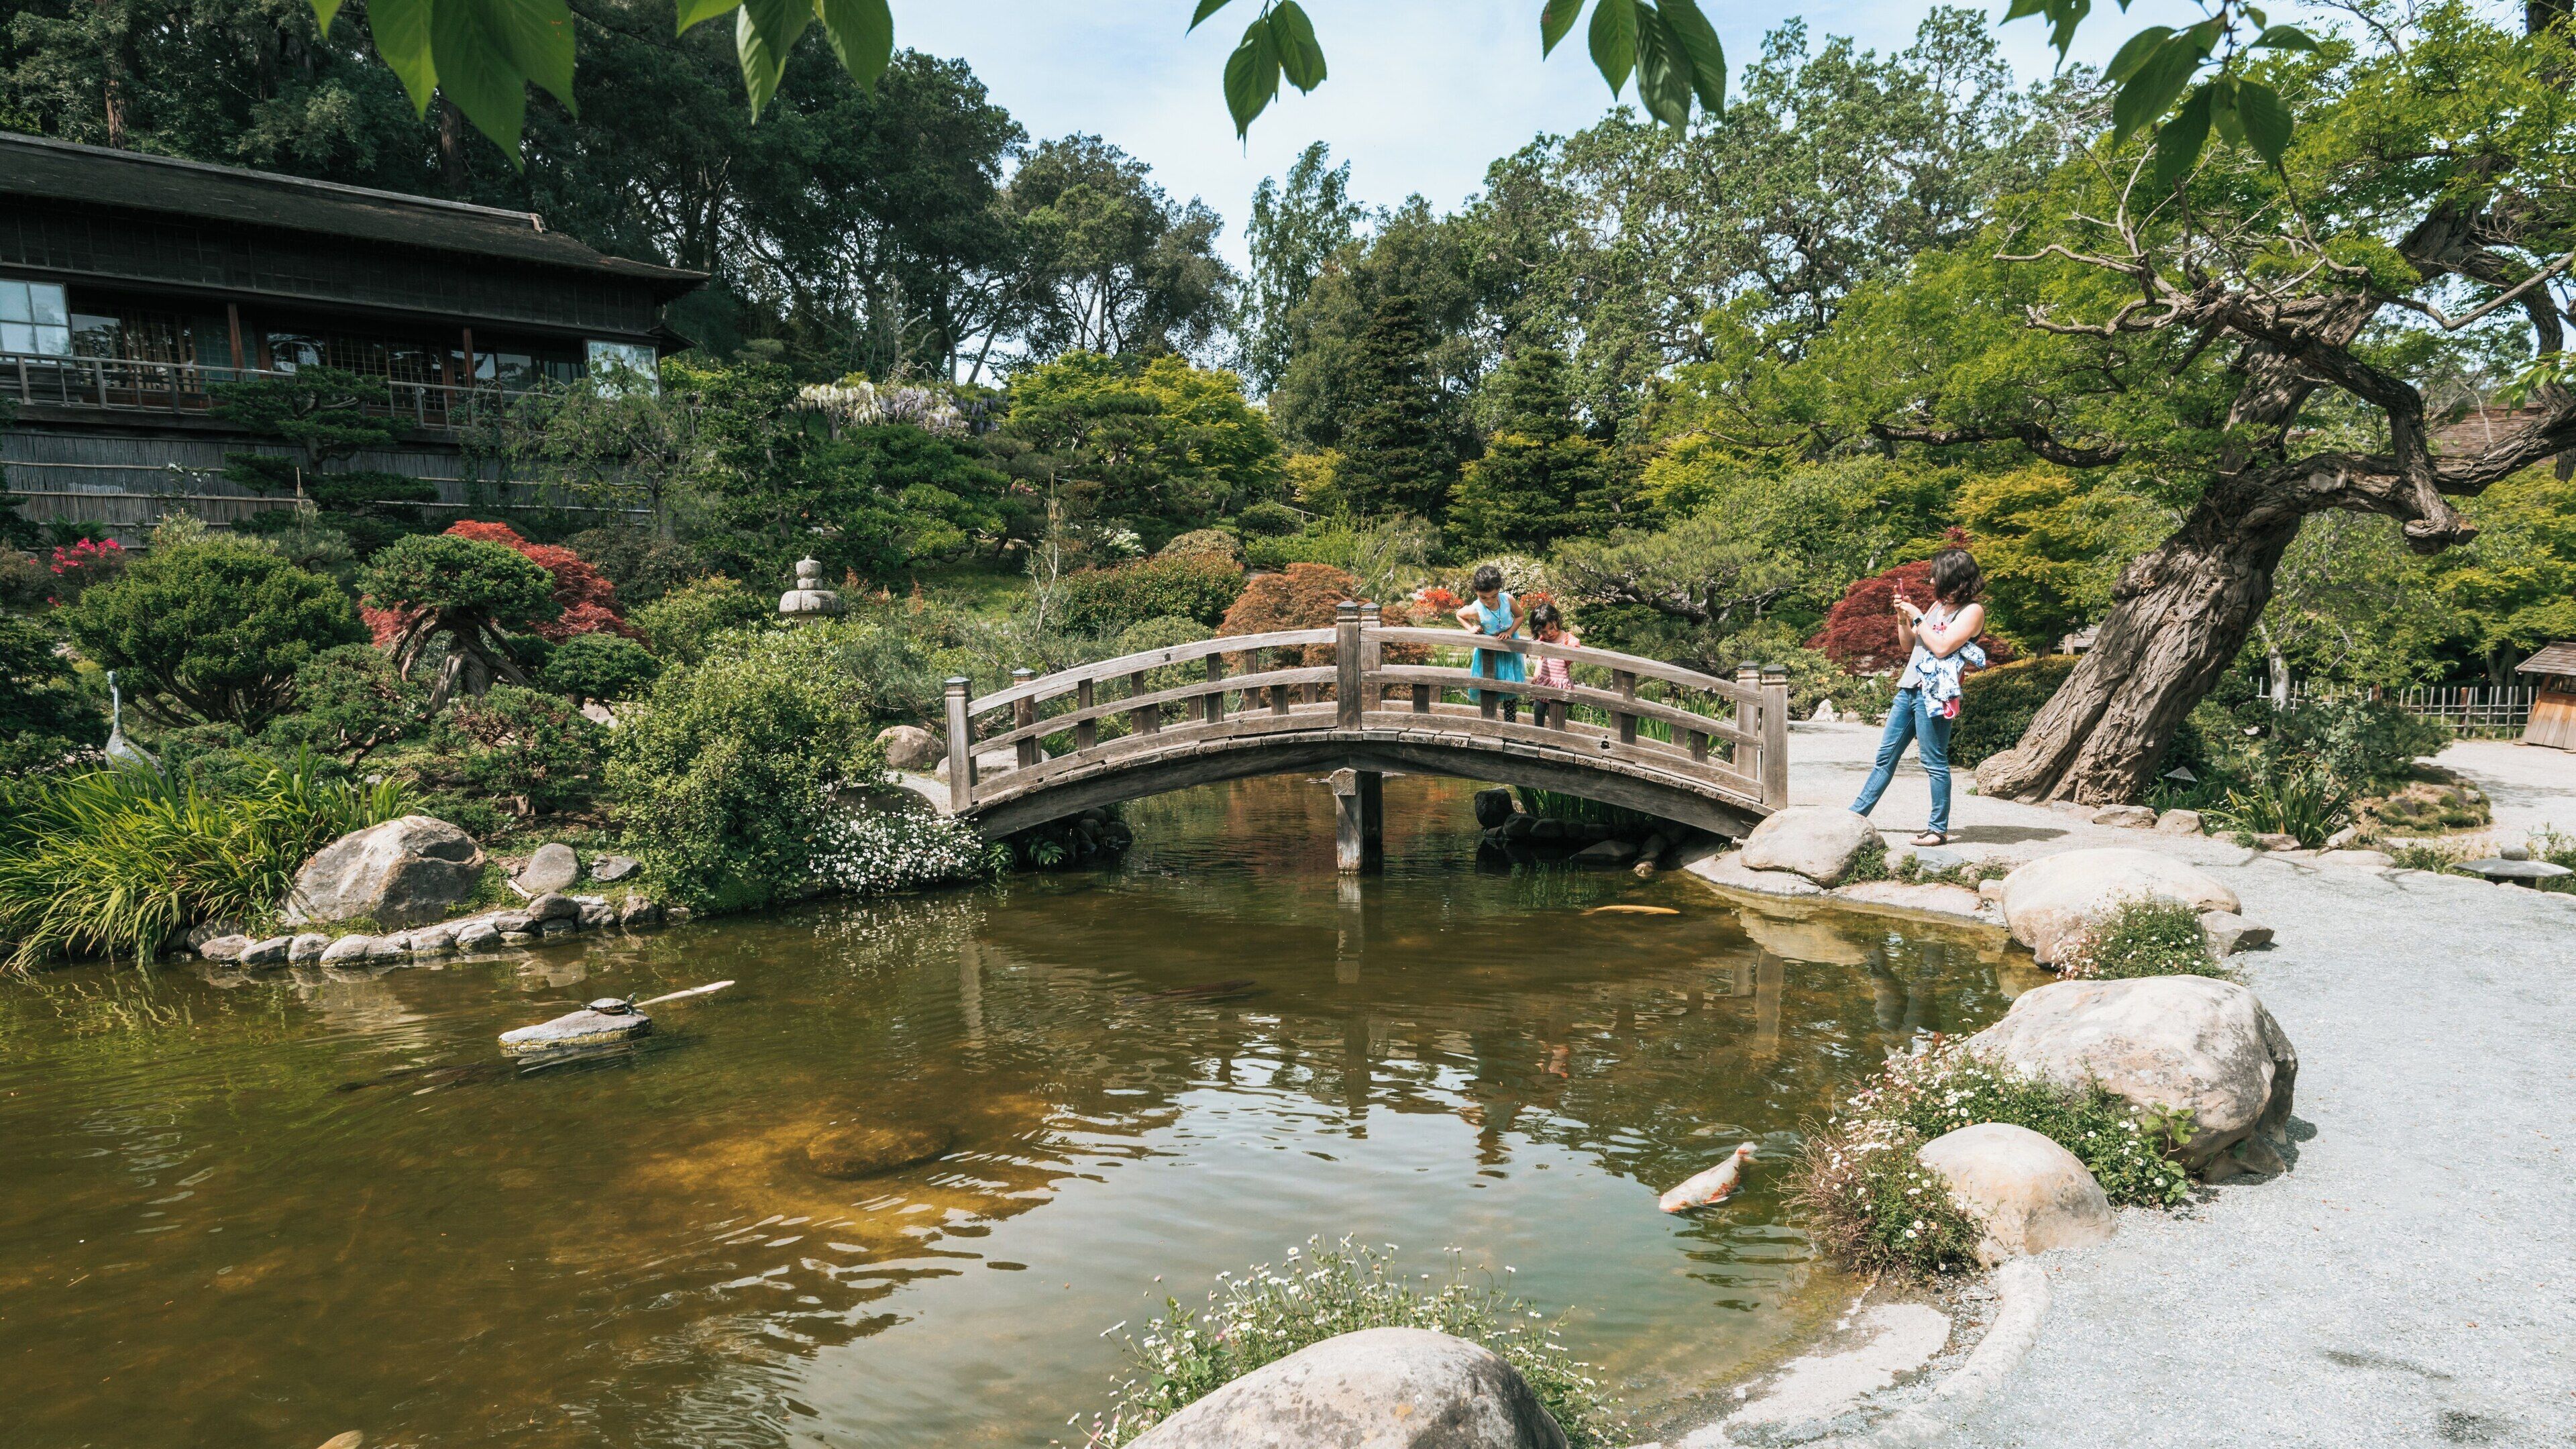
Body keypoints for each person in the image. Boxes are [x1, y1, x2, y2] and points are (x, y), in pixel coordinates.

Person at [1850, 547, 1988, 847]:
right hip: (1908, 689)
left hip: (1936, 695)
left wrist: (1917, 615)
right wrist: (1903, 618)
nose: (1930, 581)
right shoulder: (1937, 607)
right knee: (1884, 758)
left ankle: (1937, 830)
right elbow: (1907, 646)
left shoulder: (1972, 611)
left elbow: (1941, 647)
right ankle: (1855, 816)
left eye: (1936, 575)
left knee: (1934, 761)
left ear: (1953, 577)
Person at [1454, 564, 1527, 722]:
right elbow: (1459, 615)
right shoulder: (1476, 608)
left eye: (1493, 596)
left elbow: (1520, 616)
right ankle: (1489, 722)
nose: (1489, 601)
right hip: (1488, 654)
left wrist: (1509, 632)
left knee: (1509, 686)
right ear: (1477, 592)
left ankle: (1510, 723)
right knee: (1488, 686)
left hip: (1508, 651)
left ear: (1499, 589)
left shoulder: (1508, 600)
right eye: (1483, 597)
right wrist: (1471, 628)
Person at [1525, 600, 1578, 727]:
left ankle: (1556, 736)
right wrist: (1536, 674)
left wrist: (1572, 647)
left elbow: (1575, 649)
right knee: (1538, 708)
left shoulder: (1567, 639)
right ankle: (1539, 733)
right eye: (1543, 631)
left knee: (1556, 711)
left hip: (1559, 683)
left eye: (1551, 628)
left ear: (1557, 620)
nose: (1549, 633)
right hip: (1544, 681)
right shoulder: (1544, 640)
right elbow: (1541, 658)